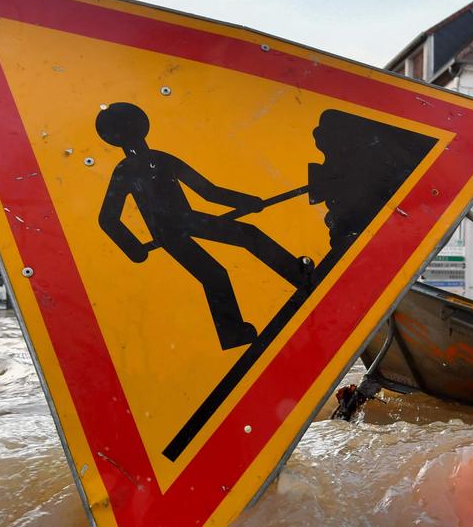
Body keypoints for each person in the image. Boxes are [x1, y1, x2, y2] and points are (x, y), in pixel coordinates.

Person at [95, 102, 312, 350]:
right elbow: (108, 218)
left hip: (189, 219)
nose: (134, 141)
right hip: (168, 234)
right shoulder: (124, 171)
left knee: (249, 235)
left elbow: (207, 191)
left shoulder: (163, 159)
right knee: (213, 274)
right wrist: (133, 248)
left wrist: (245, 201)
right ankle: (233, 335)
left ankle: (300, 277)